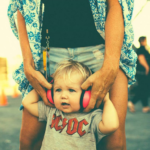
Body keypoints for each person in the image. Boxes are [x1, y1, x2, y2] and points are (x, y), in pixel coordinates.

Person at [7, 0, 137, 149]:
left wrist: (111, 63)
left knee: (114, 143)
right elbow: (20, 6)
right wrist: (28, 62)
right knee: (28, 142)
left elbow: (116, 4)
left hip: (102, 50)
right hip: (48, 52)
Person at [22, 60, 119, 150]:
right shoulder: (51, 111)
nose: (63, 95)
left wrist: (106, 101)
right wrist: (46, 85)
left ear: (87, 94)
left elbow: (111, 126)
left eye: (71, 90)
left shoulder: (92, 117)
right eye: (58, 90)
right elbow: (27, 102)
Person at [128, 36, 150, 113]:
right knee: (144, 88)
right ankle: (132, 102)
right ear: (143, 41)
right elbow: (141, 59)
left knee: (144, 88)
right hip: (143, 73)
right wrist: (147, 68)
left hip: (141, 73)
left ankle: (145, 106)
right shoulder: (141, 49)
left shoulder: (142, 49)